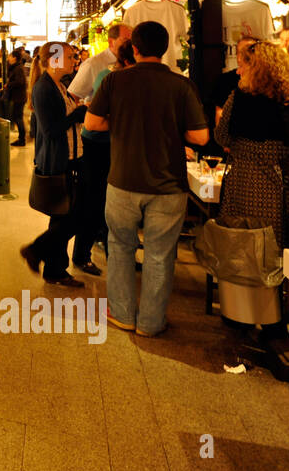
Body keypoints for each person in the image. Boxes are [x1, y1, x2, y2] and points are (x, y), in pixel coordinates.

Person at [85, 21, 209, 337]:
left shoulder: (115, 81)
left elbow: (93, 123)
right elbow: (200, 136)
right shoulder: (182, 85)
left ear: (135, 49)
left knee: (121, 247)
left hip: (123, 180)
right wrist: (169, 129)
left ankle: (124, 314)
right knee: (160, 255)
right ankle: (151, 323)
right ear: (164, 49)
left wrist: (122, 122)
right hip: (168, 185)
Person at [215, 40, 289, 248]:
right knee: (272, 242)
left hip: (244, 180)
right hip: (278, 182)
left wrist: (236, 145)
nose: (239, 72)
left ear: (255, 68)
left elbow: (221, 136)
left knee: (242, 244)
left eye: (242, 66)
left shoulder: (240, 98)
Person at [20, 42, 87, 288]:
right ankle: (36, 250)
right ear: (54, 59)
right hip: (57, 160)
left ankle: (55, 269)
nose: (74, 60)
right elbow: (50, 130)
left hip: (69, 158)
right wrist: (76, 116)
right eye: (70, 57)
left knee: (63, 217)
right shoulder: (44, 88)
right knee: (72, 217)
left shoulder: (59, 86)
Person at [73, 38, 136, 276]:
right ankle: (82, 255)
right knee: (95, 202)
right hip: (98, 145)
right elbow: (94, 120)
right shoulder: (108, 76)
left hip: (114, 146)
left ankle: (117, 256)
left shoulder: (126, 78)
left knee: (114, 204)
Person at [68, 24, 132, 103]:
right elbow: (73, 96)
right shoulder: (93, 64)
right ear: (111, 42)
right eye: (126, 41)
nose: (131, 45)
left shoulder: (133, 62)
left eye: (132, 41)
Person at [4, 48, 29, 145]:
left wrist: (8, 85)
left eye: (10, 56)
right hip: (19, 96)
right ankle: (21, 138)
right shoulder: (16, 67)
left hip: (19, 97)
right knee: (18, 117)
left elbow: (20, 81)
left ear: (14, 58)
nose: (9, 58)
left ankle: (22, 139)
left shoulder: (18, 68)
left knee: (18, 117)